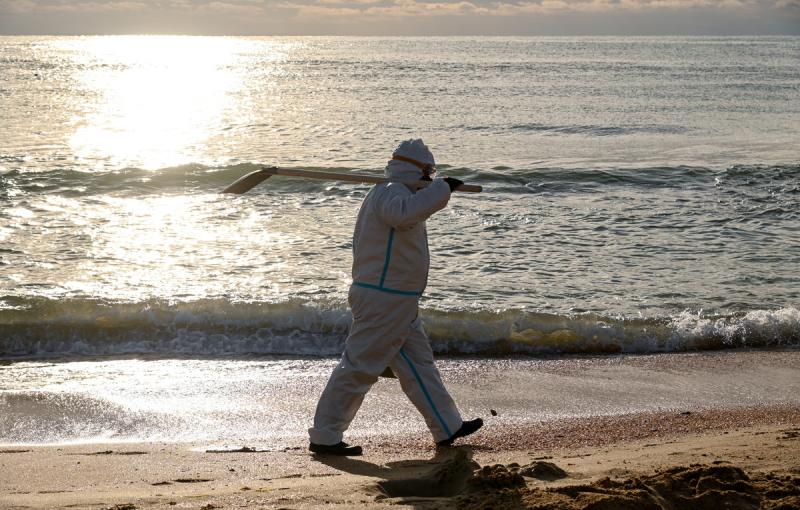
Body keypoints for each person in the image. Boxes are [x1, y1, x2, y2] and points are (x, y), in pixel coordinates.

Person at [308, 139, 483, 456]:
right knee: (359, 367)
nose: (430, 177)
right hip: (384, 299)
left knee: (419, 365)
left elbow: (411, 213)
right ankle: (325, 435)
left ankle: (447, 425)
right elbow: (403, 215)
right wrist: (442, 189)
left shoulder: (399, 191)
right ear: (414, 168)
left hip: (397, 299)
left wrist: (437, 190)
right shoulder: (392, 192)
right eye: (428, 171)